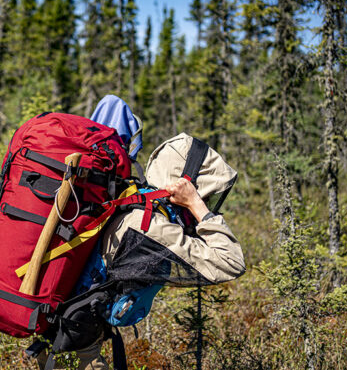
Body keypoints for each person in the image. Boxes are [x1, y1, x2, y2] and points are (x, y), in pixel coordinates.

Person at [35, 133, 245, 370]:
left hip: (68, 330)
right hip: (76, 341)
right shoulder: (152, 227)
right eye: (204, 194)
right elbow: (231, 262)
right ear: (183, 184)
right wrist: (196, 205)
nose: (206, 202)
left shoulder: (138, 203)